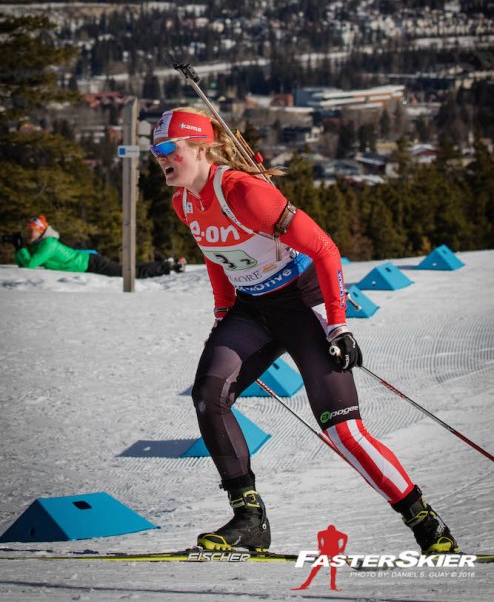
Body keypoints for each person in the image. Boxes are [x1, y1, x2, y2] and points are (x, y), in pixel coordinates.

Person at [151, 106, 458, 555]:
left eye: (166, 147)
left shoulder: (245, 192)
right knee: (209, 396)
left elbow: (325, 249)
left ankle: (424, 522)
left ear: (199, 147)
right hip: (252, 310)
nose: (159, 157)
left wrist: (338, 324)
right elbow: (213, 253)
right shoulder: (184, 202)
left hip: (303, 305)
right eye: (154, 149)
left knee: (343, 431)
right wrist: (222, 313)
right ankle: (249, 518)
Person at [5, 216, 185, 277]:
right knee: (126, 269)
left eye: (32, 232)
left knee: (129, 274)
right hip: (87, 261)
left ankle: (168, 267)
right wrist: (19, 248)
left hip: (89, 263)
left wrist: (20, 248)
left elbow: (29, 264)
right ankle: (167, 264)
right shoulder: (41, 244)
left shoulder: (48, 244)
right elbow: (25, 265)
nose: (29, 235)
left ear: (41, 231)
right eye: (28, 232)